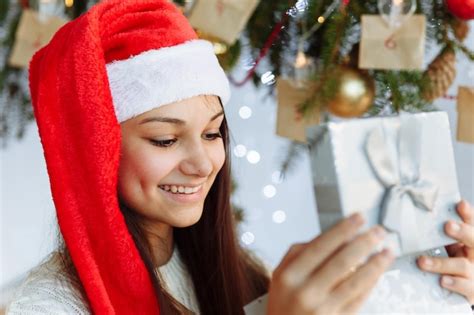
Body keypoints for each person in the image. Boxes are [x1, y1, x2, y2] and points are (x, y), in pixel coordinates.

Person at [6, 0, 474, 314]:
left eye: (212, 133)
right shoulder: (46, 305)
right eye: (165, 141)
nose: (203, 162)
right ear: (97, 153)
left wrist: (439, 284)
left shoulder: (238, 270)